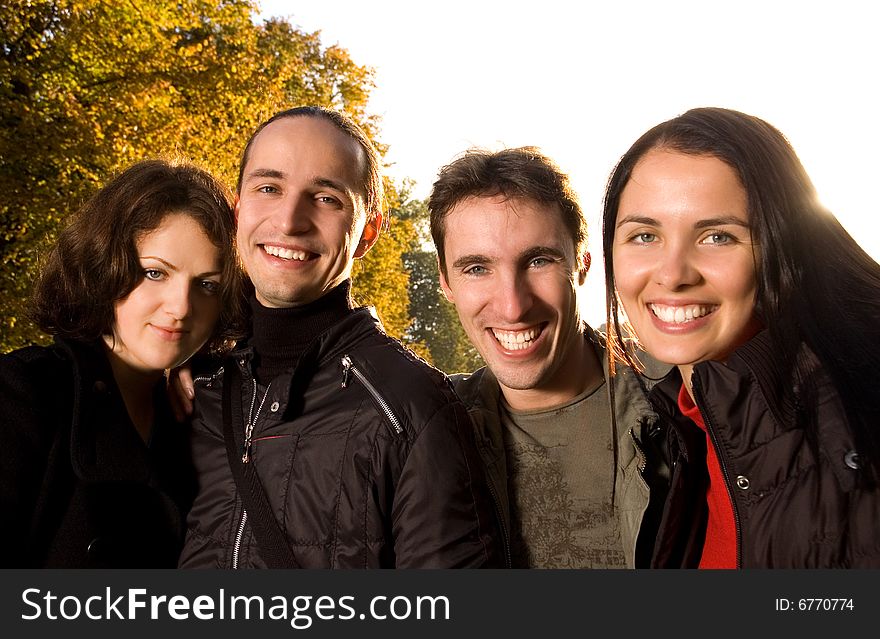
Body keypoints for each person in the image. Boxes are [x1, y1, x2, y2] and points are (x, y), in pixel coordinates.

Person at [176, 106, 500, 569]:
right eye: (269, 188)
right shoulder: (190, 385)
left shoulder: (410, 405)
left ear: (367, 232)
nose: (289, 221)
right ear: (238, 208)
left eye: (326, 198)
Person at [602, 106, 880, 568]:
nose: (672, 275)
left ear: (780, 247)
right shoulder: (684, 425)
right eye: (644, 235)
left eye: (717, 237)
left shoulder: (851, 425)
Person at [428, 147, 669, 568]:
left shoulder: (684, 396)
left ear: (582, 265)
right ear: (446, 282)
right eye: (476, 268)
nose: (513, 306)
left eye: (538, 261)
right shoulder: (427, 432)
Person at [0, 159, 241, 567]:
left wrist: (207, 364)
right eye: (154, 273)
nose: (181, 308)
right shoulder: (25, 394)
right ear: (103, 265)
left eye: (206, 285)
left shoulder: (193, 417)